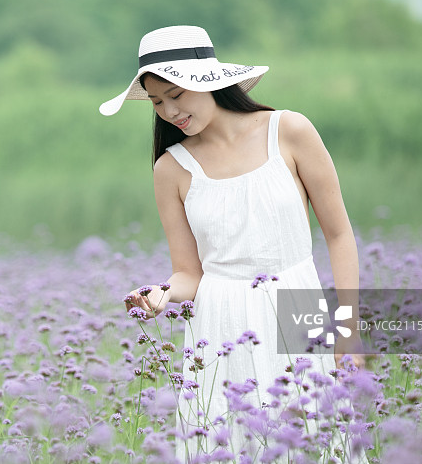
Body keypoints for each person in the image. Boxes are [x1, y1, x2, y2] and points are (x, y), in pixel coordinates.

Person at [100, 26, 366, 462]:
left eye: (175, 94)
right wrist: (161, 294)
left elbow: (339, 235)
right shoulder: (171, 169)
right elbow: (190, 273)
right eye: (157, 102)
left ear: (209, 80)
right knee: (231, 445)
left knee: (315, 438)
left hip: (297, 303)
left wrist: (348, 333)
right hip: (219, 324)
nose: (169, 111)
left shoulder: (289, 130)